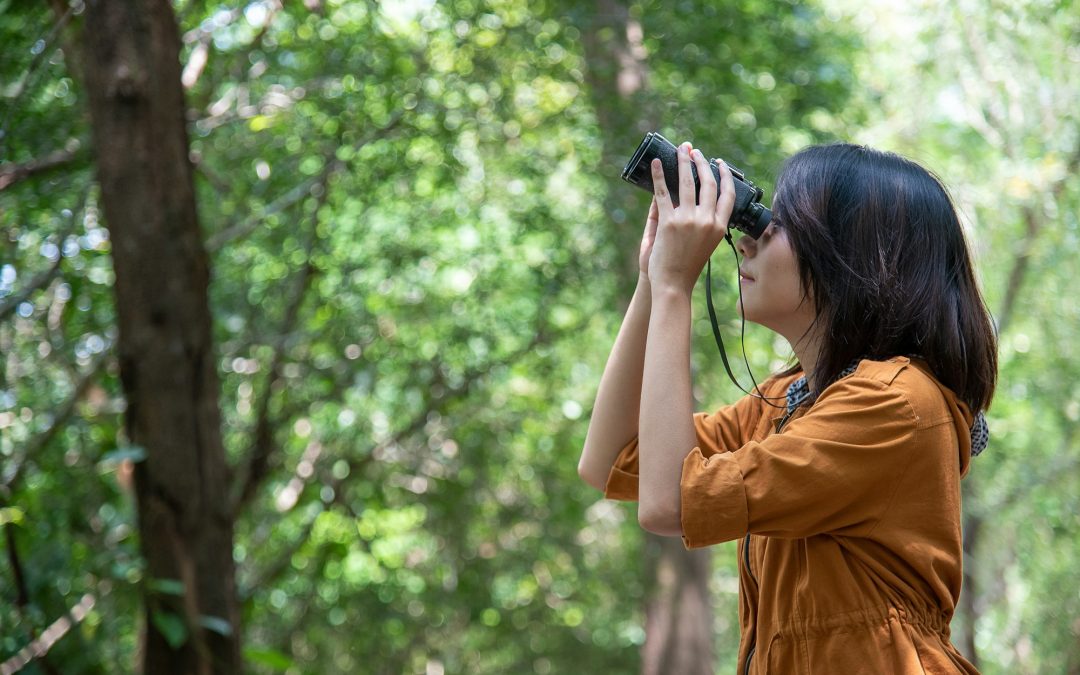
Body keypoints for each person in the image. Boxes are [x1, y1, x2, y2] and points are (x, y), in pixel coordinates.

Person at [577, 140, 996, 674]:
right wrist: (651, 281)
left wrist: (676, 287)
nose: (749, 241)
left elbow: (669, 505)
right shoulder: (788, 403)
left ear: (852, 260)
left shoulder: (895, 402)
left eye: (778, 224)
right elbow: (610, 459)